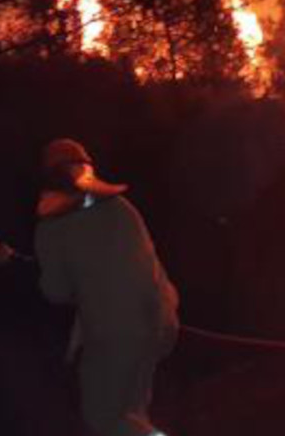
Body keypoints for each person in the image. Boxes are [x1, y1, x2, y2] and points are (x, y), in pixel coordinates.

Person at [34, 139, 179, 436]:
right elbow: (145, 266)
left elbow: (56, 291)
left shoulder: (52, 226)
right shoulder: (122, 208)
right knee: (133, 415)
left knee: (105, 419)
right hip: (156, 323)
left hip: (112, 334)